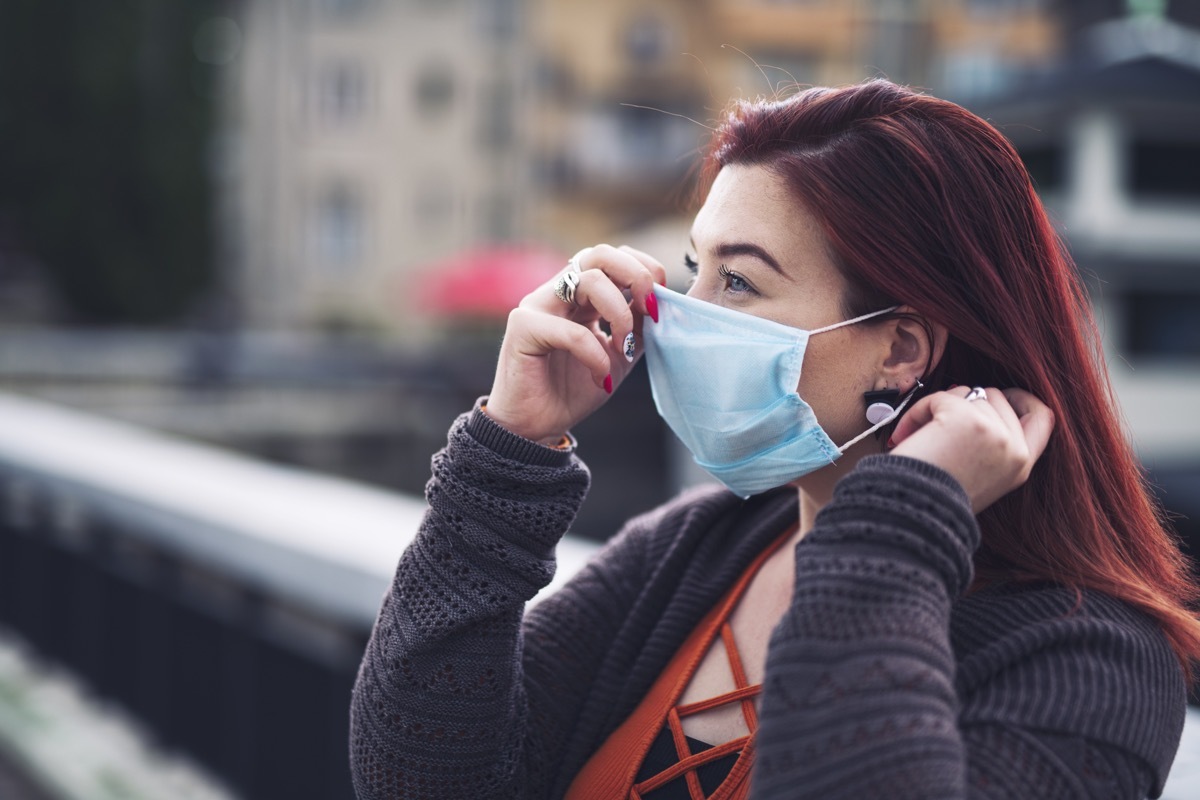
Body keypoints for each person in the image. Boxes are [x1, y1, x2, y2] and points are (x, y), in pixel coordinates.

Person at [349, 80, 1199, 799]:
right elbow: (421, 777)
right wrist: (509, 449)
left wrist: (898, 522)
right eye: (693, 272)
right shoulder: (698, 550)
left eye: (740, 281)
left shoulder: (1093, 663)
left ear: (901, 349)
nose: (677, 319)